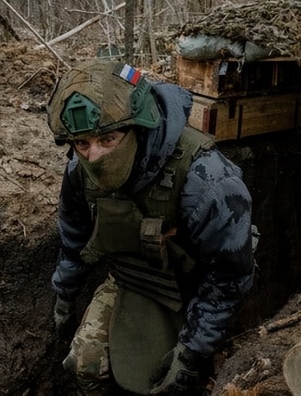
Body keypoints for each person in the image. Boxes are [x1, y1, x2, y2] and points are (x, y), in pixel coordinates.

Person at [46, 59, 255, 395]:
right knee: (83, 363)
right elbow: (74, 242)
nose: (94, 156)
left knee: (174, 384)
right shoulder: (79, 172)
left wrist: (192, 352)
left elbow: (231, 277)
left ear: (138, 127)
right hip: (130, 278)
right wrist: (64, 297)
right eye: (82, 144)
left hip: (196, 291)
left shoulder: (206, 180)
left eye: (107, 139)